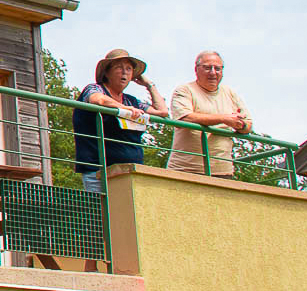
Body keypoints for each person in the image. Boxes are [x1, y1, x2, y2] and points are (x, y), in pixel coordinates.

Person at [72, 48, 168, 192]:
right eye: (119, 68)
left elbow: (162, 112)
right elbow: (98, 100)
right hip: (98, 171)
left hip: (129, 172)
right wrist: (124, 109)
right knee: (102, 212)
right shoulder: (94, 89)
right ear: (106, 72)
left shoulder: (132, 101)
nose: (124, 72)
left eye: (129, 69)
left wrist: (149, 85)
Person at [166, 50, 252, 177]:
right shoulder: (184, 90)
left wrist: (240, 125)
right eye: (207, 68)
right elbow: (184, 118)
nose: (213, 72)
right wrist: (224, 119)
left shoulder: (230, 93)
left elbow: (248, 124)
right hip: (185, 170)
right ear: (196, 69)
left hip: (223, 171)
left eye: (217, 68)